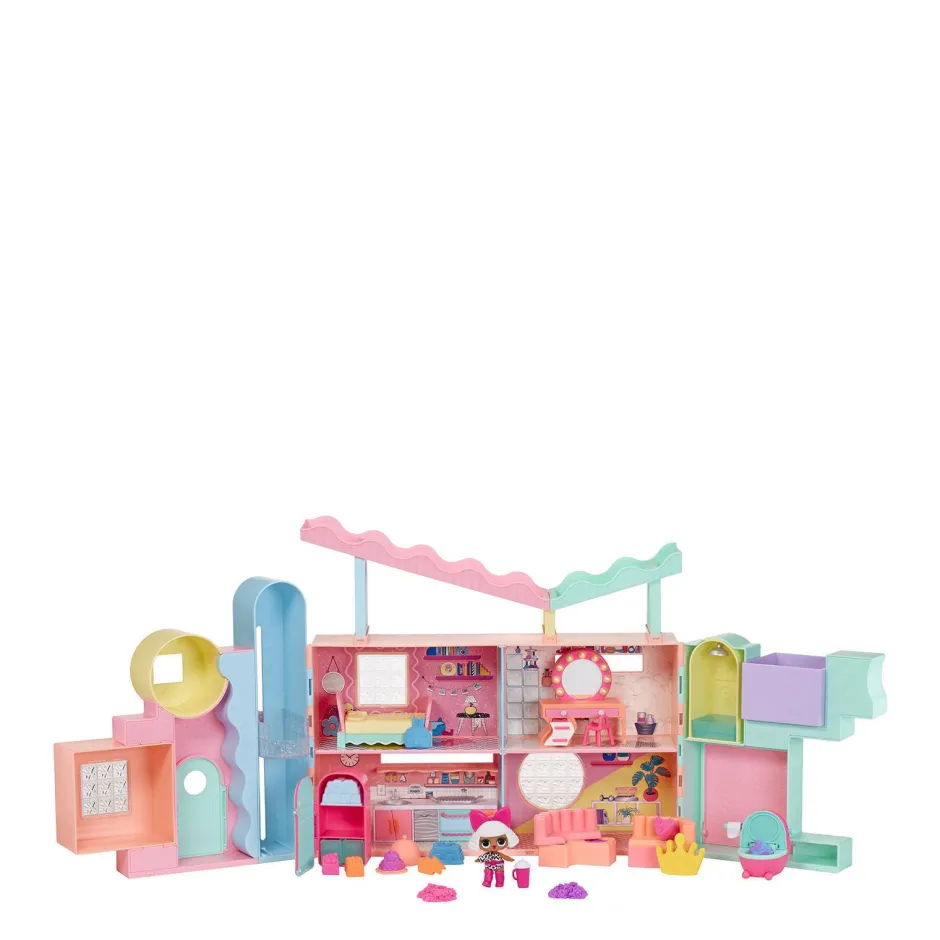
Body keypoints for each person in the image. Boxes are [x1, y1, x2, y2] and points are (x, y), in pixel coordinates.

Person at [469, 807, 519, 887]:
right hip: (489, 865)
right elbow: (482, 858)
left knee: (499, 873)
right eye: (486, 843)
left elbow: (504, 856)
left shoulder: (494, 854)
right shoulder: (487, 855)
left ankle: (499, 882)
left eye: (500, 841)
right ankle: (487, 881)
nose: (494, 845)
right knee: (488, 873)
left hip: (499, 865)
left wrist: (509, 859)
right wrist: (478, 859)